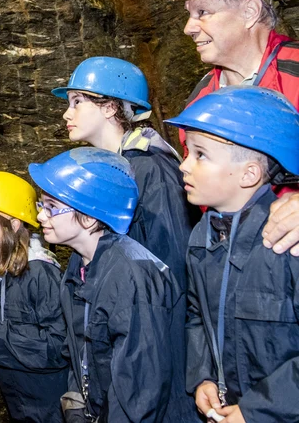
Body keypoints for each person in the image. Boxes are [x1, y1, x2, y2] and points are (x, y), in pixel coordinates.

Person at [29, 148, 196, 422]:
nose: (41, 217)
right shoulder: (80, 266)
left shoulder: (131, 275)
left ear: (90, 216)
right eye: (41, 206)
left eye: (51, 207)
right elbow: (77, 351)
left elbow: (141, 389)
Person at [165, 86, 299, 422]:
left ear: (249, 173)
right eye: (187, 153)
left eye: (200, 155)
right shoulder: (202, 238)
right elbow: (198, 316)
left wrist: (256, 411)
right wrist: (203, 375)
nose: (184, 166)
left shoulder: (287, 241)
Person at [168, 0, 299, 256]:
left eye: (203, 12)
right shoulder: (198, 103)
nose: (188, 28)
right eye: (189, 14)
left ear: (250, 11)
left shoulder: (296, 76)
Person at [53, 56, 194, 287]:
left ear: (110, 107)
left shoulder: (151, 168)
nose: (66, 114)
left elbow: (174, 263)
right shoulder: (115, 169)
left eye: (77, 102)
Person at [0, 171, 68, 422]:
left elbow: (61, 348)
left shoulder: (40, 273)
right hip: (16, 404)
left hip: (56, 407)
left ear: (14, 224)